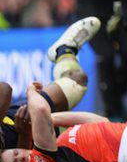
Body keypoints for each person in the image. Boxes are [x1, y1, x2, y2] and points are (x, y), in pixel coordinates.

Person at [1, 16, 101, 149]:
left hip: (17, 117)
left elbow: (5, 90)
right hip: (27, 147)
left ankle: (64, 51)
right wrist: (25, 135)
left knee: (77, 81)